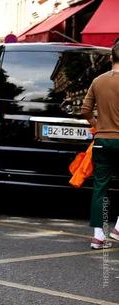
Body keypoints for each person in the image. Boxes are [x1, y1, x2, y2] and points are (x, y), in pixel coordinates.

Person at [81, 40, 119, 250]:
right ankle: (118, 228)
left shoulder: (98, 81)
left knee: (100, 187)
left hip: (102, 141)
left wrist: (97, 125)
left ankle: (98, 236)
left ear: (111, 58)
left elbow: (85, 110)